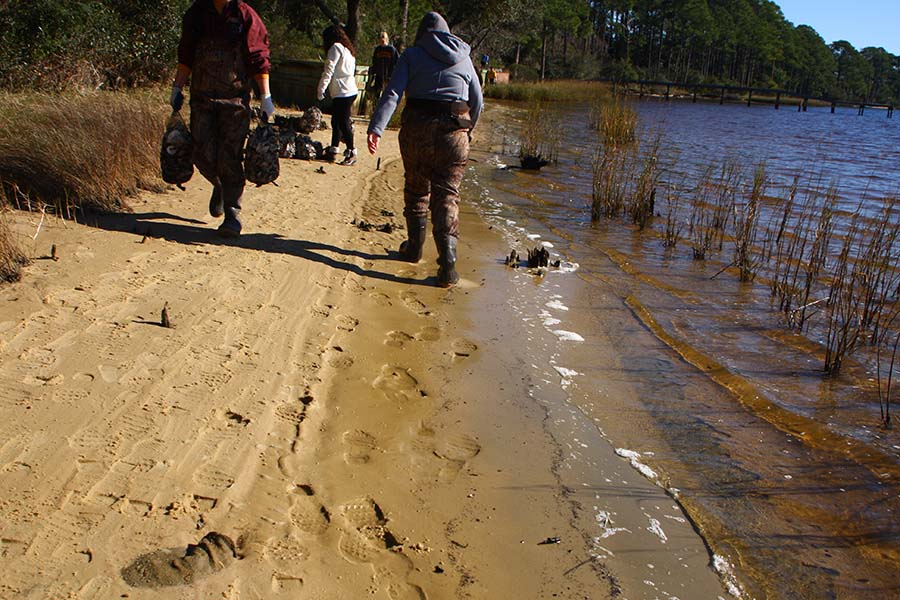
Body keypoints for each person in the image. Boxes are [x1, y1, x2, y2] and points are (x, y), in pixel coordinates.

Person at [366, 12, 483, 288]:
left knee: (417, 188)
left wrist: (377, 127)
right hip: (453, 134)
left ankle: (414, 249)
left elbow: (392, 93)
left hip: (416, 129)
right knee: (447, 196)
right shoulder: (464, 57)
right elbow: (477, 103)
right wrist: (469, 130)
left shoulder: (412, 55)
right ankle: (448, 267)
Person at [170, 0, 274, 238]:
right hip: (202, 98)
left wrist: (265, 95)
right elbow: (186, 55)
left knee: (230, 156)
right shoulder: (196, 14)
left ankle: (232, 214)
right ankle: (220, 184)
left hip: (235, 101)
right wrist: (177, 87)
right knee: (201, 153)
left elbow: (258, 57)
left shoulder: (246, 16)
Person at [317, 25, 359, 166]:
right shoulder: (348, 49)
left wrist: (321, 88)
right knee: (336, 121)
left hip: (342, 92)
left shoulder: (335, 48)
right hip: (349, 89)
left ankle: (352, 151)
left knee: (343, 122)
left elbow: (329, 69)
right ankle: (334, 149)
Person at [367, 31, 399, 106]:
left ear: (387, 39)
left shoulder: (392, 49)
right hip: (379, 75)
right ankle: (374, 109)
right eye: (380, 37)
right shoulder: (377, 50)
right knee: (376, 94)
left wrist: (393, 74)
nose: (382, 39)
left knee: (388, 94)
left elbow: (397, 62)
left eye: (383, 37)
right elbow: (374, 62)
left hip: (389, 76)